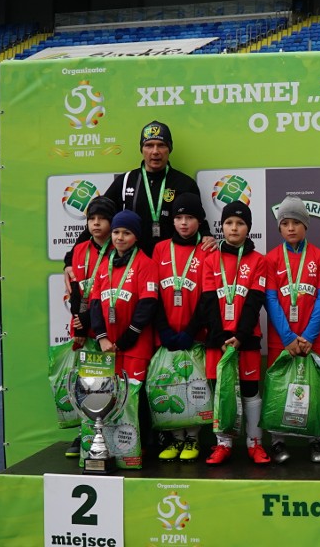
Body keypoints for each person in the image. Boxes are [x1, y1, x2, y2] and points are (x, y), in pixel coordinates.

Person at [64, 120, 215, 290]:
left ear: (169, 148)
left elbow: (199, 221)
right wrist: (70, 259)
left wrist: (207, 235)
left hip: (173, 267)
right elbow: (98, 221)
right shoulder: (126, 181)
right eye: (149, 145)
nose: (155, 151)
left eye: (161, 145)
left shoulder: (184, 183)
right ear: (141, 149)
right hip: (132, 267)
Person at [194, 201, 270, 466]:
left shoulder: (258, 261)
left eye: (240, 223)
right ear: (222, 227)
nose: (234, 227)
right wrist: (221, 335)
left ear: (248, 228)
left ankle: (254, 443)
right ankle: (223, 444)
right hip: (218, 338)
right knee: (222, 391)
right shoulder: (210, 260)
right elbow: (207, 301)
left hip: (246, 338)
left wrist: (239, 336)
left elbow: (254, 301)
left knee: (250, 391)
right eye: (229, 223)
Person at [263, 196, 320, 463]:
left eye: (296, 223)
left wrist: (309, 336)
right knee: (279, 390)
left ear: (306, 225)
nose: (291, 228)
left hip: (313, 338)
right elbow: (270, 300)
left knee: (314, 389)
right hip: (283, 338)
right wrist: (289, 337)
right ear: (279, 228)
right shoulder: (271, 259)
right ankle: (278, 442)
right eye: (285, 223)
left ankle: (317, 439)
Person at [151, 192, 209, 462]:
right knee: (170, 386)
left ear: (200, 221)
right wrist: (163, 330)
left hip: (195, 335)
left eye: (190, 218)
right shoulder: (161, 249)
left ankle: (193, 439)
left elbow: (208, 297)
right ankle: (175, 439)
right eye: (179, 218)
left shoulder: (208, 249)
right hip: (166, 336)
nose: (184, 223)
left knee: (192, 386)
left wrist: (190, 331)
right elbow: (152, 293)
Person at [64, 195, 115, 458]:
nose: (96, 224)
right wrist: (78, 325)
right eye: (91, 219)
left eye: (102, 219)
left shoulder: (119, 248)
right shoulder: (80, 249)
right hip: (85, 327)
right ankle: (88, 434)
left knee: (112, 385)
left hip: (109, 327)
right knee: (89, 383)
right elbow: (76, 290)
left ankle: (114, 435)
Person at [89, 210, 159, 383]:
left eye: (126, 233)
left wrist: (126, 339)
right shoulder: (104, 265)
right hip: (107, 348)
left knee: (132, 402)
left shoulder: (145, 264)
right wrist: (102, 338)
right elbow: (95, 303)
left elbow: (147, 304)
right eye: (116, 232)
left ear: (136, 237)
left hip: (135, 346)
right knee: (108, 400)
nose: (120, 237)